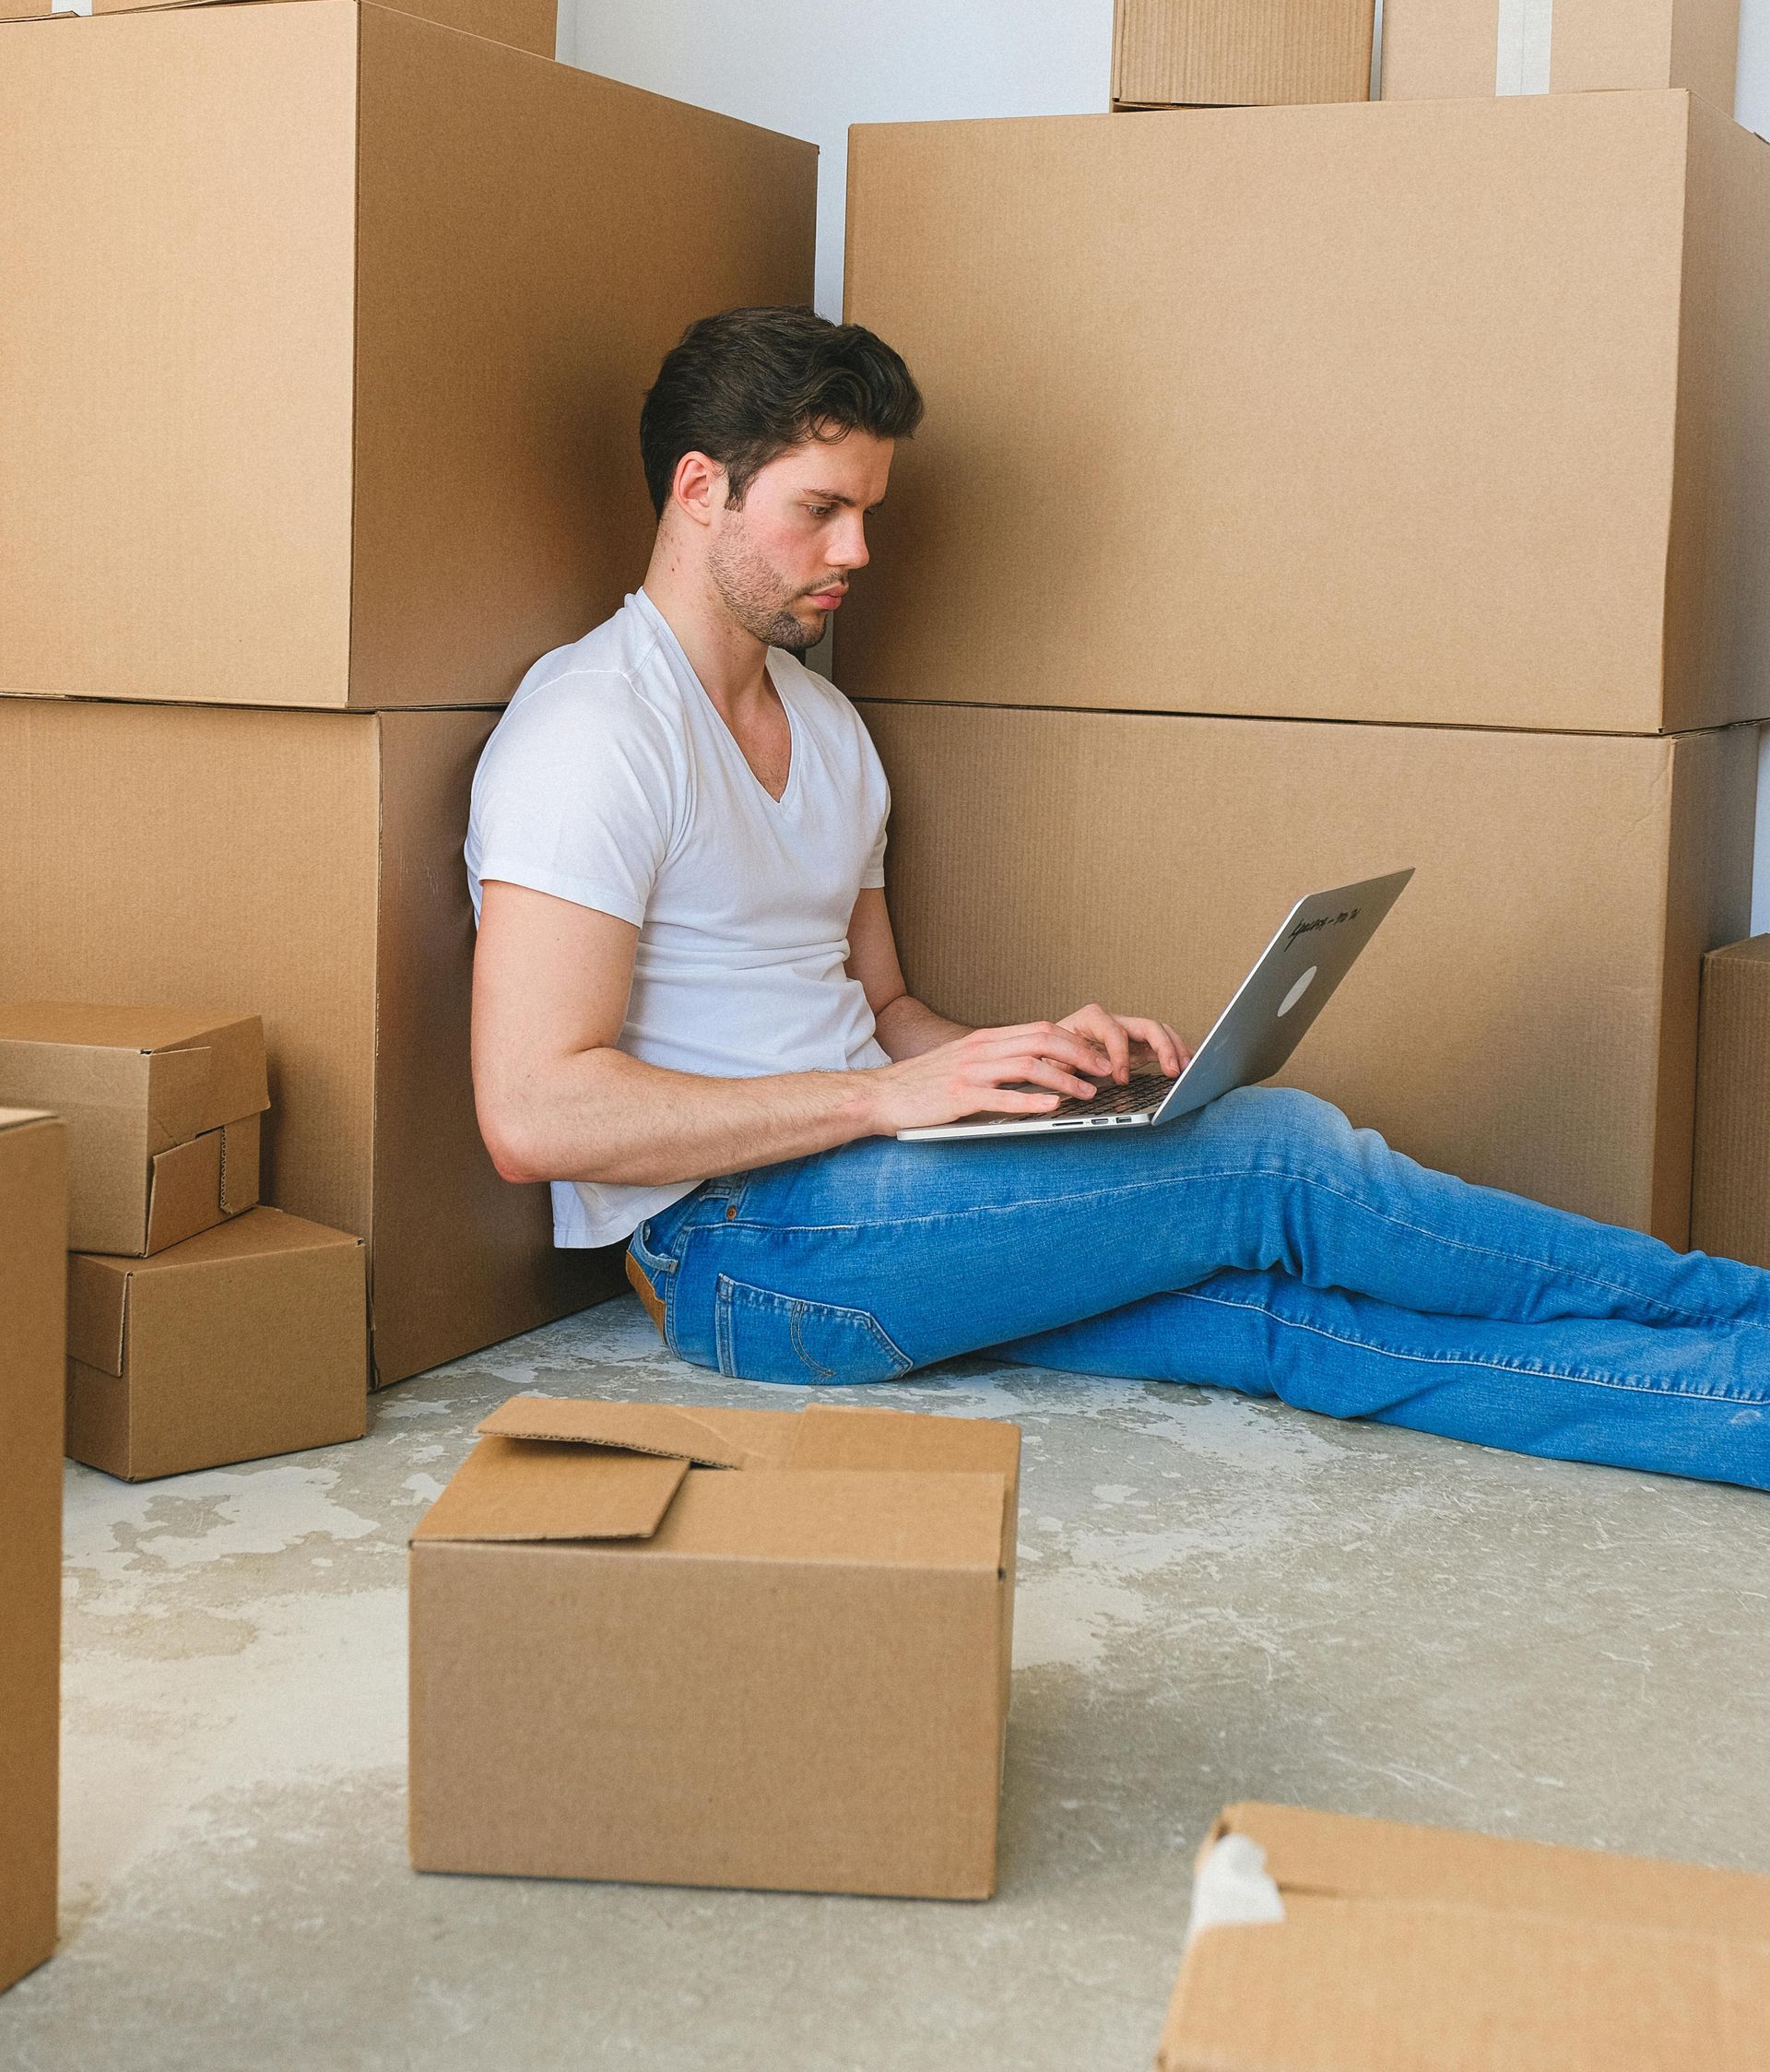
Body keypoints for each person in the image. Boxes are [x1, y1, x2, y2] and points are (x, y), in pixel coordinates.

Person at [467, 307, 1769, 1493]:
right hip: (744, 1254)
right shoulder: (594, 731)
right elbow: (533, 1113)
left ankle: (1745, 1405)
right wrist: (878, 1097)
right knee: (1277, 1159)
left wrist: (1024, 1062)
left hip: (875, 1182)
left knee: (1279, 1319)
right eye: (821, 509)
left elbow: (884, 1008)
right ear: (701, 490)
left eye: (869, 509)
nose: (858, 549)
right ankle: (1740, 1305)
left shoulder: (825, 725)